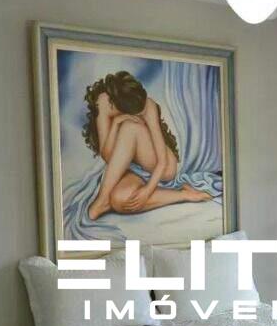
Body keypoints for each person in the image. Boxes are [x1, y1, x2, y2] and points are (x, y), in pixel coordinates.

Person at [81, 71, 211, 220]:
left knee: (130, 127)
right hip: (133, 168)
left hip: (162, 167)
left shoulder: (148, 105)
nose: (140, 112)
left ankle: (102, 200)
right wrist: (116, 123)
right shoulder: (104, 101)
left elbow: (162, 162)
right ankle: (184, 194)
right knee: (119, 200)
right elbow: (108, 156)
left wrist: (148, 190)